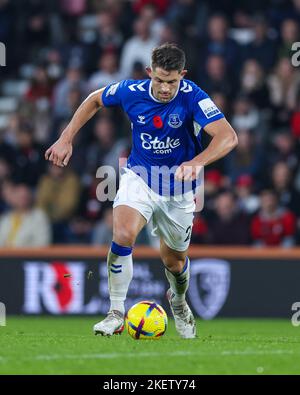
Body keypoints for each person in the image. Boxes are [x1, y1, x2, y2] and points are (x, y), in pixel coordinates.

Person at [45, 43, 238, 339]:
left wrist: (197, 162)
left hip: (179, 190)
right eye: (159, 80)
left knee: (173, 262)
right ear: (149, 72)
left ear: (182, 76)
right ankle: (115, 313)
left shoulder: (193, 96)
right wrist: (65, 137)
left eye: (172, 81)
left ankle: (178, 300)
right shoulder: (131, 91)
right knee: (122, 234)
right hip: (140, 177)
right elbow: (94, 99)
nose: (164, 88)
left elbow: (228, 136)